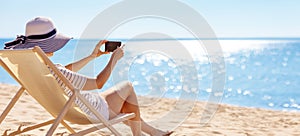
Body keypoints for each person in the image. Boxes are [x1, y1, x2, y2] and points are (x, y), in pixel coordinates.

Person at [4, 17, 173, 136]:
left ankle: (154, 133)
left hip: (70, 109)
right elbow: (98, 83)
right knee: (127, 87)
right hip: (91, 111)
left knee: (124, 105)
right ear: (49, 44)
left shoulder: (38, 69)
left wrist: (92, 56)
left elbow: (65, 72)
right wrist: (114, 60)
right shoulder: (55, 71)